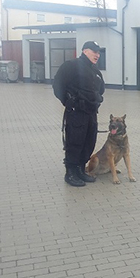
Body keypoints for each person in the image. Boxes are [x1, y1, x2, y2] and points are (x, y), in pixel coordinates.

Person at [53, 41, 105, 187]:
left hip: (91, 113)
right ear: (84, 51)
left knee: (89, 142)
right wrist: (68, 102)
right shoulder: (71, 65)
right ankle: (70, 173)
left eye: (99, 52)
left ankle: (81, 170)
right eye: (94, 51)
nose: (97, 55)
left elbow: (101, 89)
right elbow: (57, 85)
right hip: (76, 113)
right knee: (75, 142)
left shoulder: (95, 71)